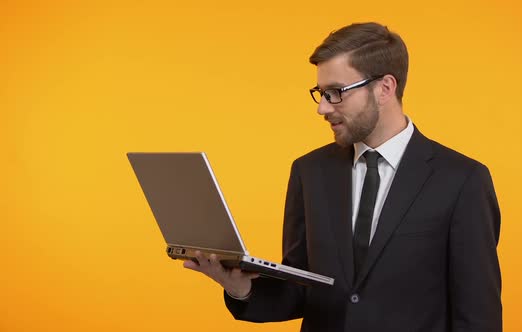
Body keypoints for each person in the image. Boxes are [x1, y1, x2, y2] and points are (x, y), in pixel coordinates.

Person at [184, 22, 502, 331]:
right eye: (320, 93)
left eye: (335, 92)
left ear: (385, 88)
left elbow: (478, 317)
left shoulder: (462, 181)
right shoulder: (309, 172)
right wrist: (241, 288)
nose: (322, 108)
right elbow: (300, 291)